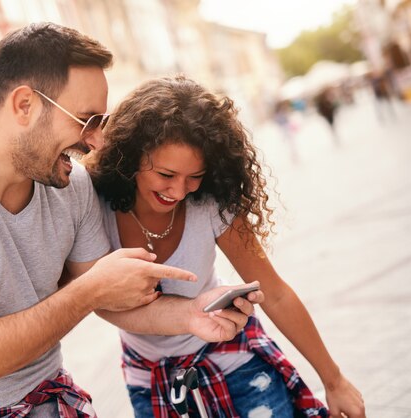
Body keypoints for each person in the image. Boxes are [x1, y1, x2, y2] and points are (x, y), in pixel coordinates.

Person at [0, 23, 261, 417]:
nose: (95, 141)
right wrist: (88, 291)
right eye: (85, 119)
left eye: (101, 121)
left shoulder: (71, 185)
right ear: (24, 105)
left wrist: (192, 313)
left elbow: (109, 299)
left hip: (52, 397)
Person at [88, 75, 366, 418]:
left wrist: (334, 380)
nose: (178, 191)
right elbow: (93, 297)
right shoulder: (93, 205)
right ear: (131, 156)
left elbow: (276, 294)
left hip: (234, 355)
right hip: (151, 376)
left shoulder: (210, 205)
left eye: (194, 177)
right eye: (165, 174)